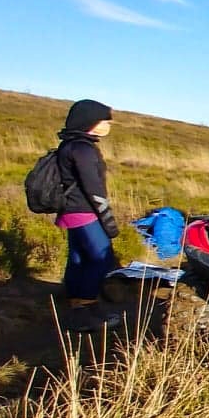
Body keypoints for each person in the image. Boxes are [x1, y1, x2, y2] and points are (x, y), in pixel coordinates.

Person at [56, 99, 123, 332]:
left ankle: (77, 304)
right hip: (85, 212)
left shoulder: (70, 144)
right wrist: (108, 221)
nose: (107, 125)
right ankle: (84, 313)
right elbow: (93, 188)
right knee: (100, 259)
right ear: (90, 121)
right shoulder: (83, 149)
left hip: (71, 211)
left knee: (78, 259)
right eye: (104, 120)